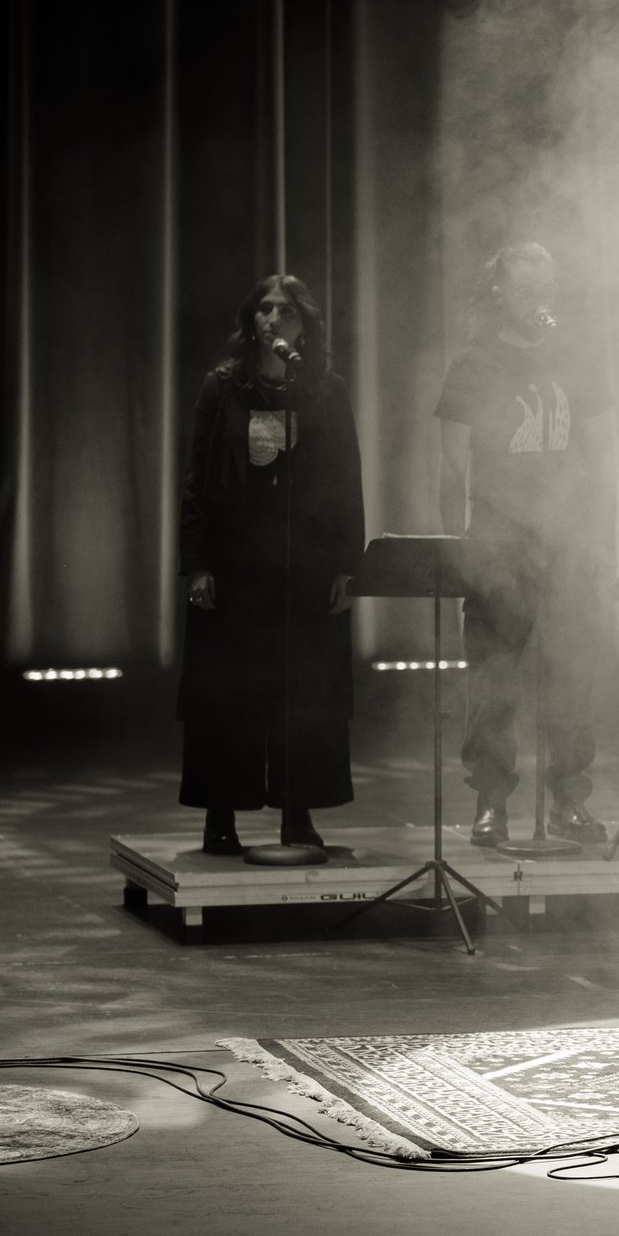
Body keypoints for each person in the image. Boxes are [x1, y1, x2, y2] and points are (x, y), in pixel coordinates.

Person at [437, 241, 619, 847]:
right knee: (494, 679)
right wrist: (458, 548)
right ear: (499, 294)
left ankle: (570, 801)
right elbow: (452, 466)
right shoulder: (474, 363)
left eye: (546, 289)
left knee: (570, 675)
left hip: (565, 542)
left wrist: (600, 536)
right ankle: (490, 802)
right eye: (524, 291)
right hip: (498, 540)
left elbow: (599, 455)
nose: (537, 301)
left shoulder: (578, 357)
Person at [177, 275, 364, 858]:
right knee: (227, 694)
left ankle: (298, 813)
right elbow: (196, 483)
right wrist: (198, 563)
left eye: (286, 310)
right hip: (236, 567)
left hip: (303, 566)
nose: (274, 318)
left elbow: (345, 482)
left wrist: (346, 565)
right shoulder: (223, 387)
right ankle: (220, 815)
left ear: (305, 324)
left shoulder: (325, 391)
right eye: (265, 308)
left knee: (303, 691)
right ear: (250, 321)